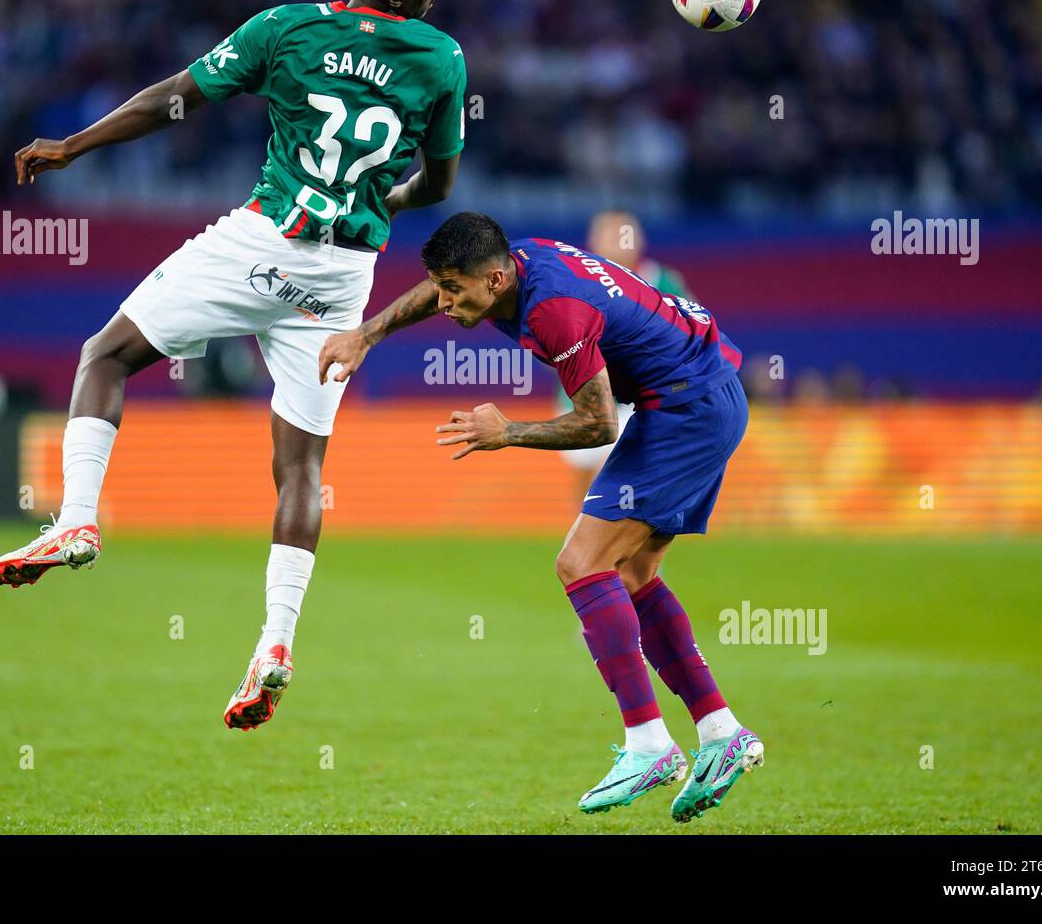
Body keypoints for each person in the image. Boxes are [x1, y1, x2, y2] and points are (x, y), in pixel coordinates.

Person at [0, 0, 466, 732]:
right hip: (342, 278)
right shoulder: (443, 59)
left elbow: (172, 99)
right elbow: (439, 185)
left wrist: (74, 146)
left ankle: (76, 521)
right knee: (301, 470)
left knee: (104, 356)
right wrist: (377, 200)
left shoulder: (285, 28)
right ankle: (275, 645)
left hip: (259, 242)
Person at [318, 212, 762, 819]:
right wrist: (366, 336)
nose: (445, 303)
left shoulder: (554, 311)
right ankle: (720, 734)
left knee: (580, 564)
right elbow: (438, 285)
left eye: (455, 290)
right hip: (702, 394)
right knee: (630, 576)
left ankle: (648, 743)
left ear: (496, 280)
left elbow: (600, 422)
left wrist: (508, 433)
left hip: (686, 409)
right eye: (441, 287)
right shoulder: (513, 261)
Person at [558, 211, 693, 502]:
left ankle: (607, 538)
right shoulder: (574, 280)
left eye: (623, 233)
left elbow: (691, 332)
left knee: (612, 473)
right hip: (584, 395)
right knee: (584, 478)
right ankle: (587, 536)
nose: (616, 241)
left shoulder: (661, 281)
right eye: (607, 233)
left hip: (640, 397)